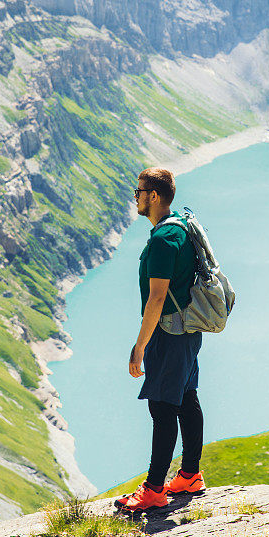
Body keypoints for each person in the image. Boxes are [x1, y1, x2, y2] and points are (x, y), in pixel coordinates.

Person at [116, 167, 205, 513]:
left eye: (138, 191)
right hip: (188, 330)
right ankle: (190, 475)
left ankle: (154, 490)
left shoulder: (163, 240)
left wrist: (139, 346)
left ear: (153, 196)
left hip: (168, 333)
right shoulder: (179, 228)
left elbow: (156, 297)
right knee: (185, 397)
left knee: (162, 408)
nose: (135, 197)